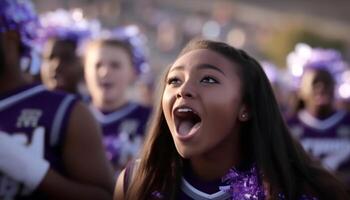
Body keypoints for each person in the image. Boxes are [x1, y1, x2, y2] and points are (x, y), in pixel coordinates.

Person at [114, 39, 349, 200]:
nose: (183, 89)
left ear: (245, 107)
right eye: (174, 80)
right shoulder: (136, 180)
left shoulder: (295, 189)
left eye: (208, 80)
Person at [0, 1, 114, 199]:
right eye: (49, 58)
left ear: (11, 37)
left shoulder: (66, 111)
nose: (55, 66)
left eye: (67, 58)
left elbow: (106, 196)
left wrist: (33, 171)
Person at [83, 31, 152, 176]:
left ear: (133, 72)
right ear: (85, 71)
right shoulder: (72, 114)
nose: (104, 72)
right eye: (97, 65)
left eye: (115, 65)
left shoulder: (150, 119)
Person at [286, 43, 350, 192]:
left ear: (336, 85)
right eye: (315, 82)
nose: (321, 87)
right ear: (300, 88)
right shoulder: (287, 124)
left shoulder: (348, 121)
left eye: (326, 81)